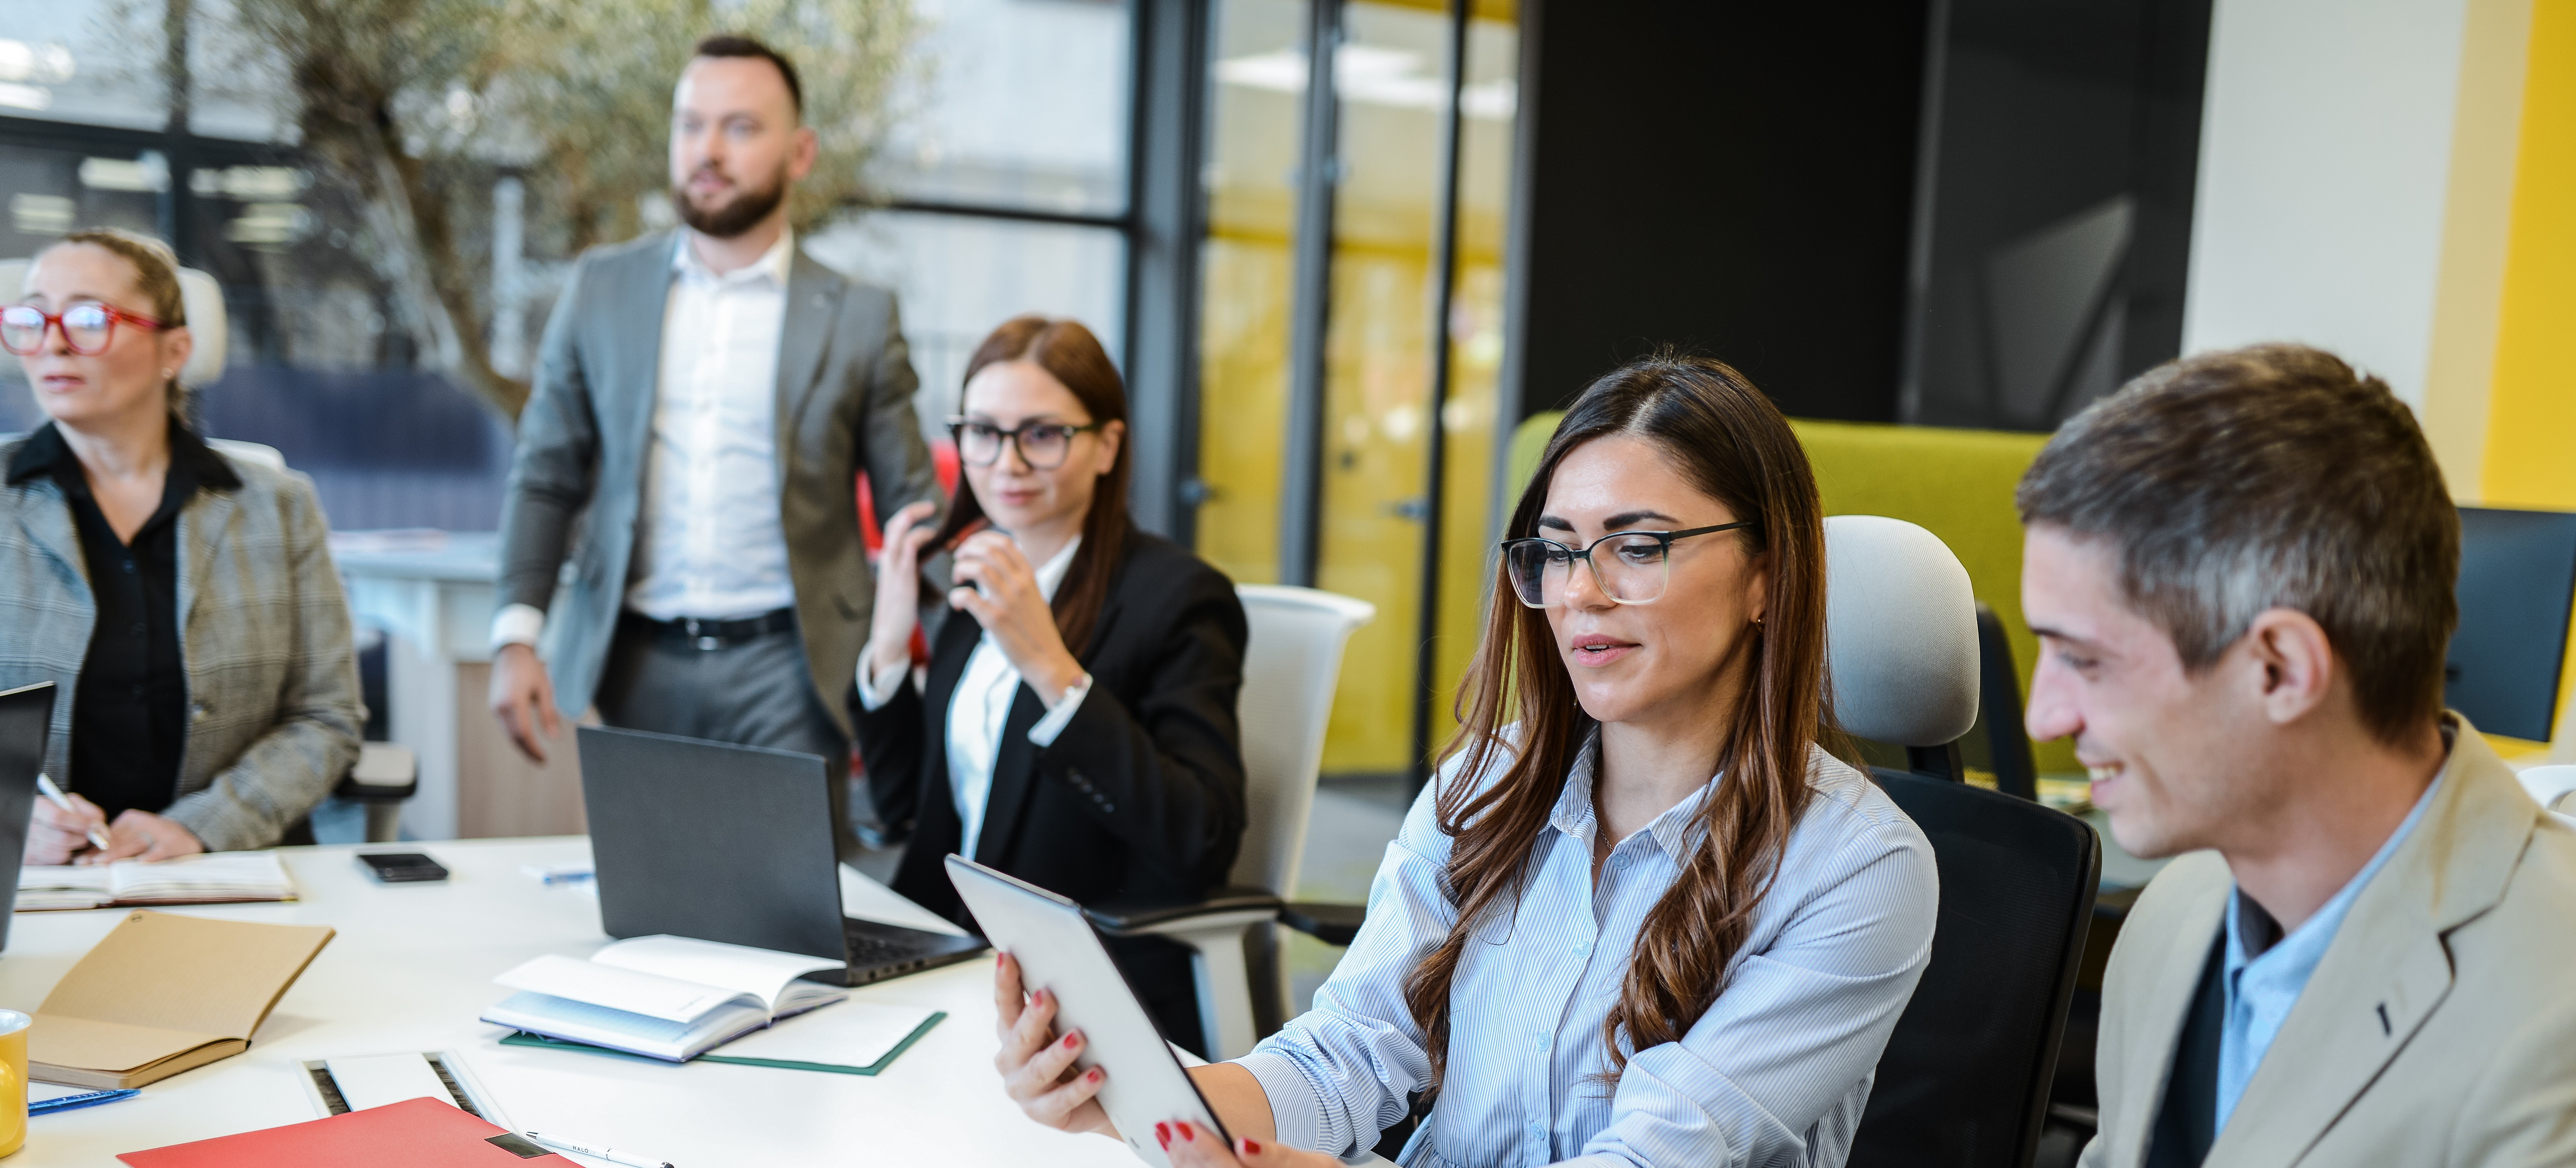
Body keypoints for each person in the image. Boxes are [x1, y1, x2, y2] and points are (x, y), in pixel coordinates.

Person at [991, 354, 1938, 1166]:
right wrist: (1153, 1105)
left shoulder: (1858, 870)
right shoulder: (1487, 784)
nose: (1582, 595)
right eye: (1559, 553)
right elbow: (1352, 1051)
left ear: (1767, 575)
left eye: (1637, 547)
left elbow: (1651, 1157)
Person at [2010, 345, 2576, 1167]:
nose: (2041, 716)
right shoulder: (2174, 920)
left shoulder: (2548, 1020)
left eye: (2084, 660)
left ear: (2278, 670)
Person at [489, 33, 940, 848]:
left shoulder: (860, 316)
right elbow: (545, 474)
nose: (708, 150)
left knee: (791, 932)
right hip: (635, 664)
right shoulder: (601, 289)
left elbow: (914, 501)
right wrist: (516, 636)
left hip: (793, 671)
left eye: (740, 128)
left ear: (799, 152)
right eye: (691, 125)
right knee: (649, 921)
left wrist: (972, 646)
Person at [857, 314, 1248, 1057]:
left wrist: (1053, 670)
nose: (1004, 463)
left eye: (1041, 434)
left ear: (1105, 446)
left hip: (1080, 990)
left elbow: (1201, 840)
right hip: (945, 961)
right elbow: (906, 810)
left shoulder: (1178, 598)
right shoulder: (978, 580)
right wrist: (886, 646)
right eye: (981, 431)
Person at [0, 229, 362, 862]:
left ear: (175, 350)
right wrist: (10, 817)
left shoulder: (278, 505)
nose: (53, 341)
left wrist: (206, 826)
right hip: (36, 884)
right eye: (32, 316)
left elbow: (326, 717)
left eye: (89, 318)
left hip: (230, 874)